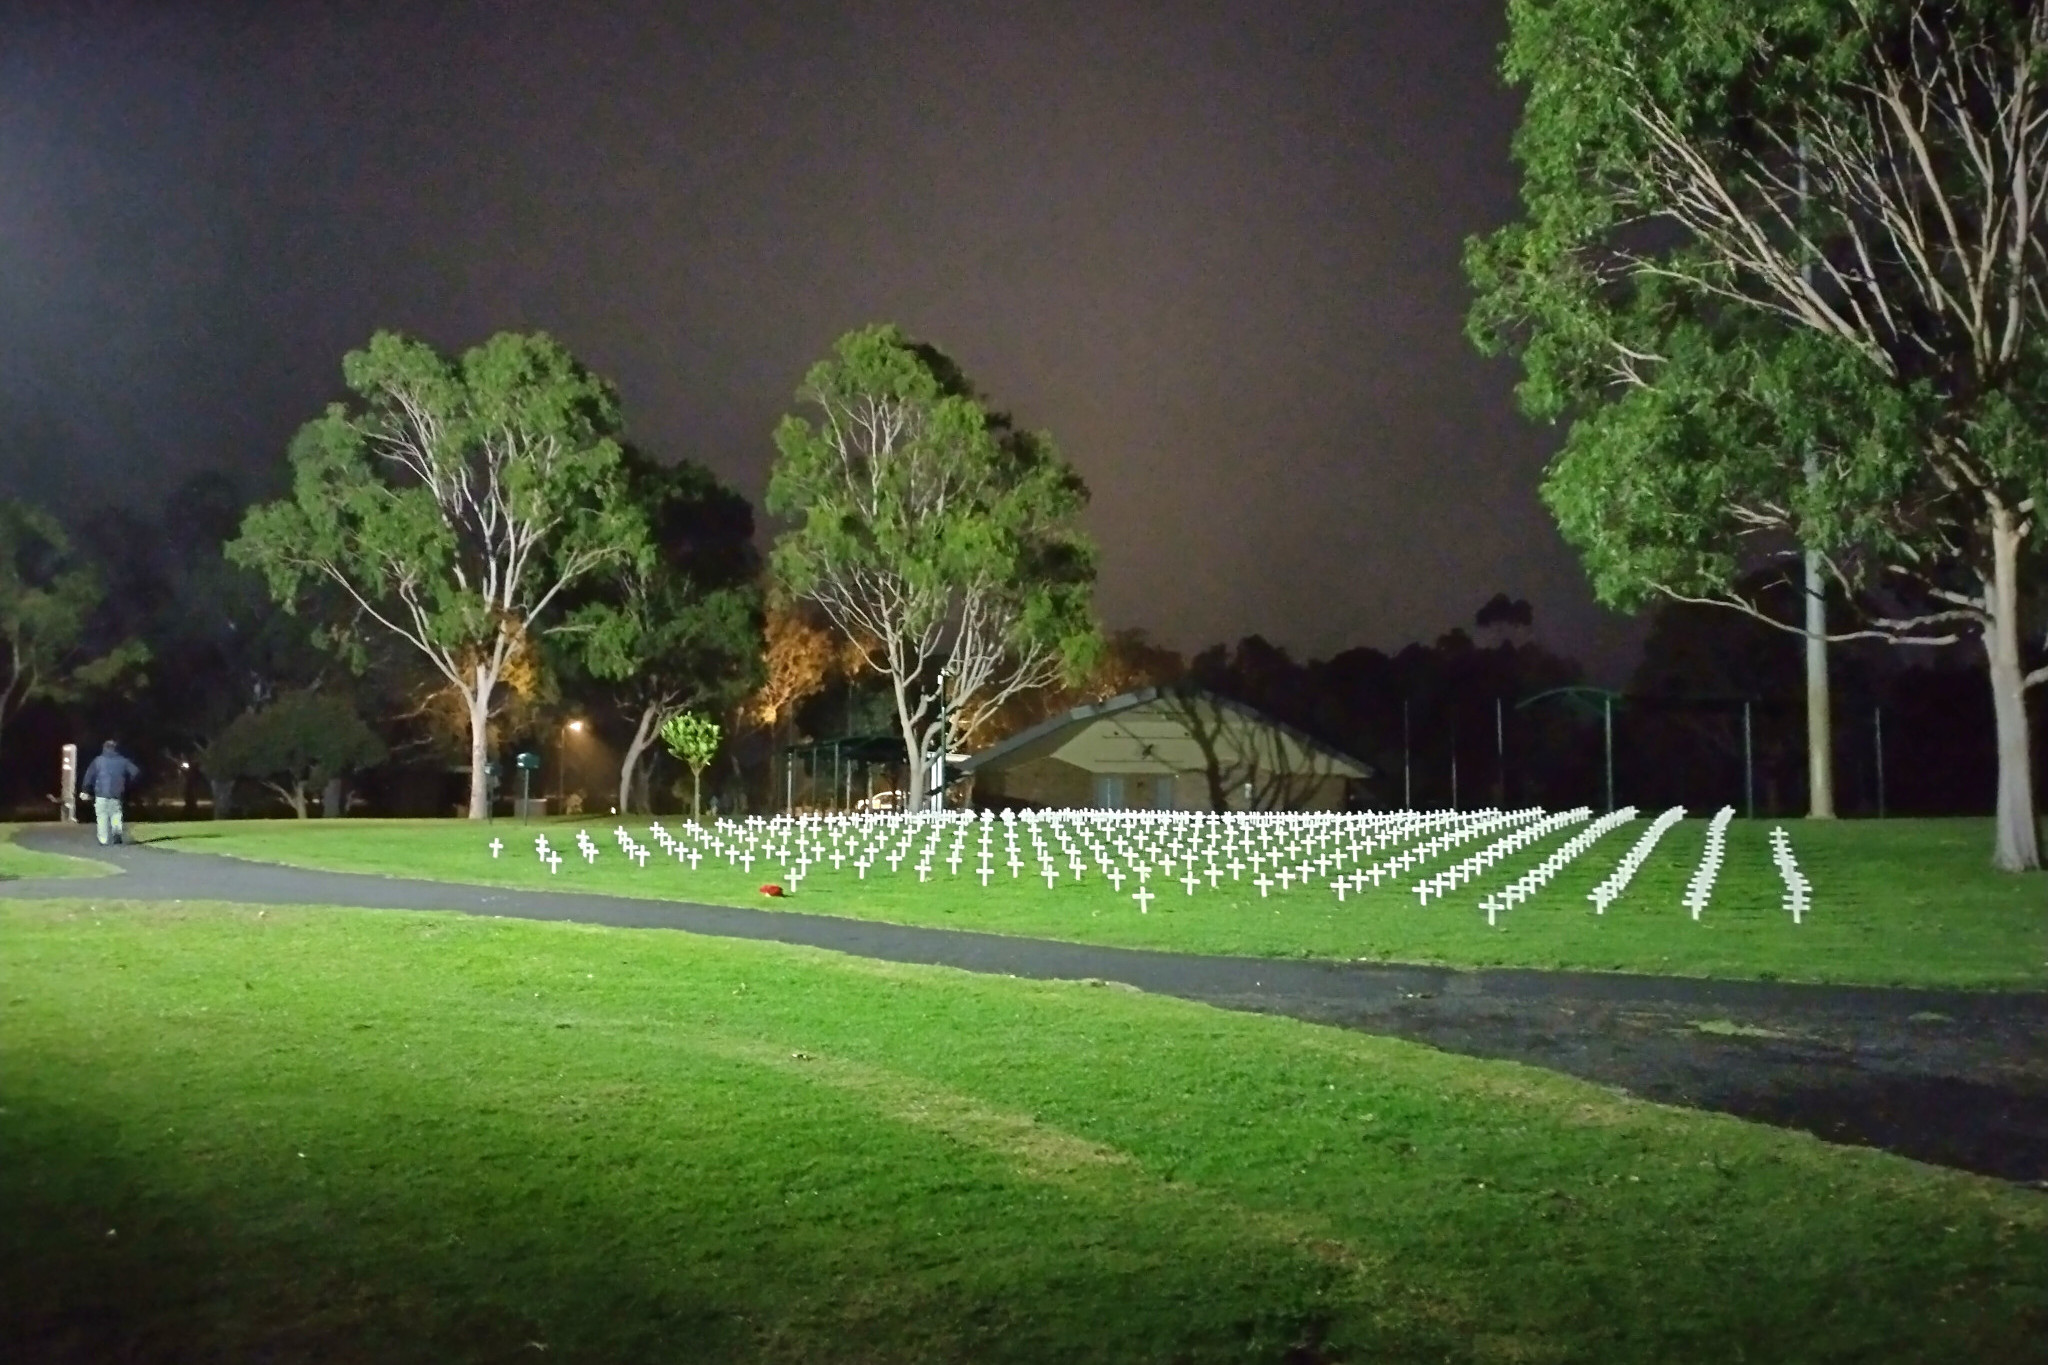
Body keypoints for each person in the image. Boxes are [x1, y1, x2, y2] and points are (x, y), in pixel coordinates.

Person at [79, 740, 141, 846]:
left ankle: (103, 839)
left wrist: (85, 790)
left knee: (102, 816)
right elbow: (135, 772)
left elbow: (89, 776)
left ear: (104, 748)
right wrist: (128, 783)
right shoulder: (123, 761)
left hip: (101, 794)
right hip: (116, 794)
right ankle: (116, 834)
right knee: (116, 814)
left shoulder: (98, 761)